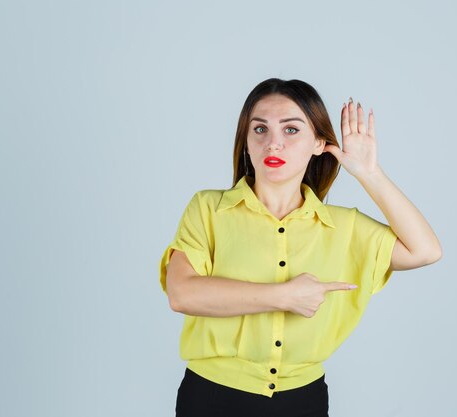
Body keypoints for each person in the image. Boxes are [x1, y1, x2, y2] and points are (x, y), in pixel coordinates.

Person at [159, 78, 442, 417]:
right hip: (211, 397)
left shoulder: (344, 227)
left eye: (291, 130)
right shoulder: (208, 208)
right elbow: (182, 294)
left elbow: (425, 250)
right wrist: (285, 296)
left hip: (303, 400)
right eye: (260, 130)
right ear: (246, 141)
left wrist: (370, 173)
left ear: (319, 142)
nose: (273, 144)